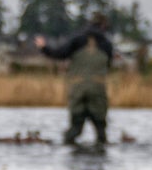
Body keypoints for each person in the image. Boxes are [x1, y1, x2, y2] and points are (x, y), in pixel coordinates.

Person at [35, 15, 113, 145]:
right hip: (98, 88)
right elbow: (108, 65)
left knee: (75, 128)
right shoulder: (106, 43)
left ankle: (69, 149)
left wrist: (44, 47)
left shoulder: (77, 39)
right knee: (101, 130)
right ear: (104, 27)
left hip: (78, 88)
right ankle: (100, 156)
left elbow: (59, 53)